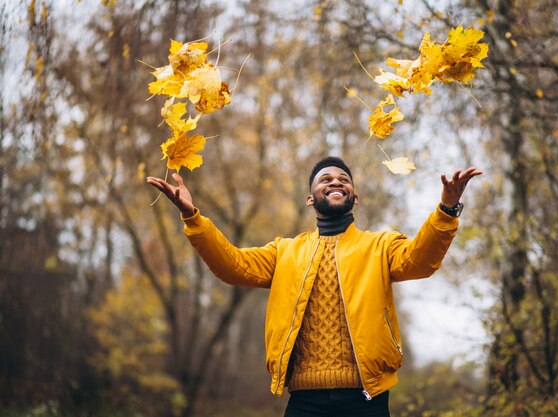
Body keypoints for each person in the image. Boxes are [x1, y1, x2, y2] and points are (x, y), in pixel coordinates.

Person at [147, 157, 482, 417]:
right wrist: (193, 217)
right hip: (304, 401)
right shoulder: (284, 251)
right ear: (311, 198)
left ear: (354, 196)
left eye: (344, 179)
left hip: (367, 398)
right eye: (326, 179)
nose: (336, 181)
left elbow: (420, 261)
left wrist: (446, 211)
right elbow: (232, 266)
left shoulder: (380, 245)